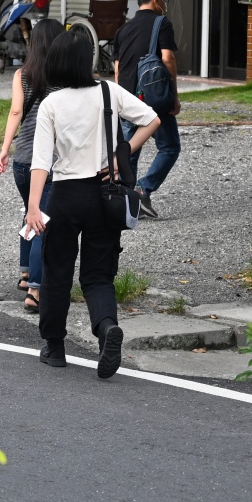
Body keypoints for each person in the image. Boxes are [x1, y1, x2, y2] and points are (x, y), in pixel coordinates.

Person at [25, 33, 162, 377]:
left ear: (57, 63)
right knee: (98, 275)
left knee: (57, 272)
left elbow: (41, 161)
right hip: (105, 194)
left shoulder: (51, 105)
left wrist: (32, 206)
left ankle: (54, 347)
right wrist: (121, 155)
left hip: (66, 196)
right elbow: (152, 119)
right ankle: (106, 329)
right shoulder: (108, 92)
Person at [0, 18, 66, 313]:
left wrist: (4, 149)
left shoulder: (23, 74)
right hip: (47, 163)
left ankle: (25, 273)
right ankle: (35, 289)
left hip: (22, 160)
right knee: (42, 223)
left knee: (29, 212)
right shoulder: (65, 77)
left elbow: (15, 111)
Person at [113, 0, 181, 218]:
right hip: (153, 98)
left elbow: (118, 69)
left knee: (130, 149)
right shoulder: (162, 23)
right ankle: (144, 189)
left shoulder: (122, 29)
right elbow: (167, 59)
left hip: (126, 97)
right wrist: (173, 96)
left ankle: (127, 203)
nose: (165, 2)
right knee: (170, 147)